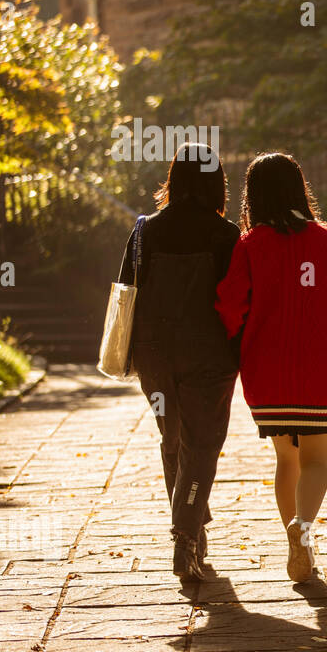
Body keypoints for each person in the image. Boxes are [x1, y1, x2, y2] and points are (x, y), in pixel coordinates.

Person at [215, 152, 327, 582]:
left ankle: (293, 537)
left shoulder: (250, 245)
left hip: (266, 371)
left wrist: (233, 344)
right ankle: (302, 530)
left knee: (286, 458)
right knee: (317, 459)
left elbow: (229, 306)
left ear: (254, 195)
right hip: (318, 368)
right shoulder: (325, 240)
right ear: (300, 189)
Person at [119, 142, 240, 582]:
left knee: (173, 437)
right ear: (216, 183)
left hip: (153, 354)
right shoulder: (226, 236)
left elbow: (124, 291)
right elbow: (238, 300)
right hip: (208, 353)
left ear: (173, 179)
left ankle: (190, 527)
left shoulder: (144, 231)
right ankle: (186, 535)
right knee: (202, 444)